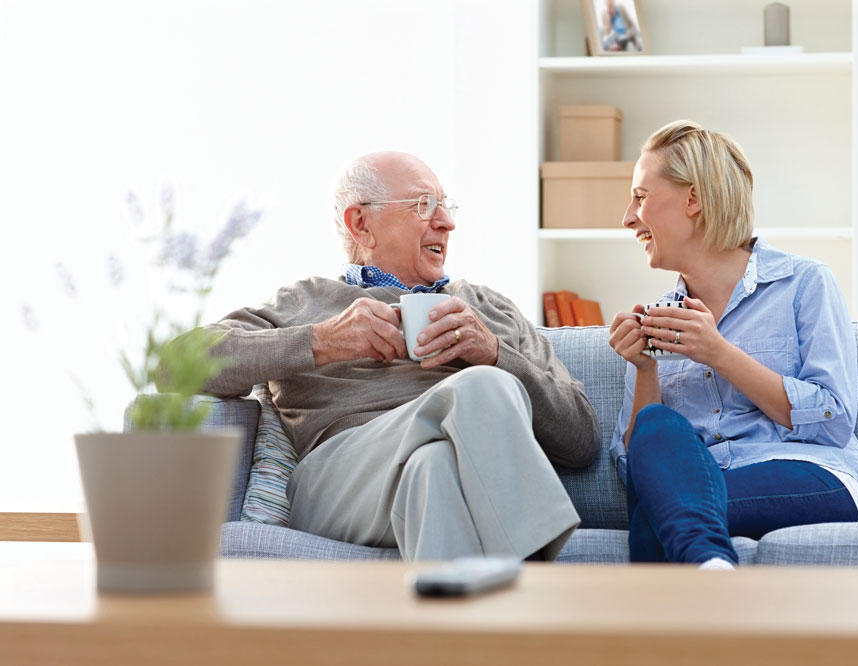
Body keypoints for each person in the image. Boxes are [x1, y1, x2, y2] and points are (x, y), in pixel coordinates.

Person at [177, 151, 600, 561]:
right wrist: (323, 341)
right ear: (361, 223)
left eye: (446, 206)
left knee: (432, 468)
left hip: (427, 477)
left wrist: (494, 354)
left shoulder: (490, 311)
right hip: (339, 481)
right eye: (424, 204)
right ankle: (543, 592)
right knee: (480, 390)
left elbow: (581, 439)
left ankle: (451, 632)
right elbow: (177, 364)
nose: (447, 222)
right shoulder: (306, 301)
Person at [607, 120, 858, 569]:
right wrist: (646, 369)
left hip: (808, 474)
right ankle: (711, 569)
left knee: (658, 516)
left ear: (693, 199)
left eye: (641, 197)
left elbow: (833, 420)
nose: (628, 218)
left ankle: (677, 608)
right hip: (698, 485)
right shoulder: (659, 320)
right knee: (654, 428)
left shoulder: (803, 284)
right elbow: (638, 470)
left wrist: (718, 352)